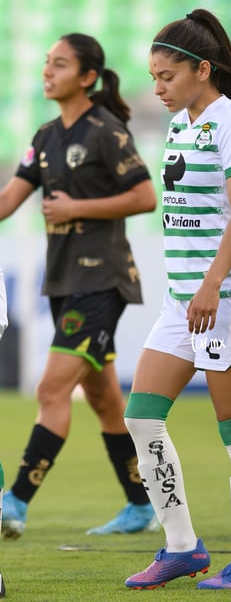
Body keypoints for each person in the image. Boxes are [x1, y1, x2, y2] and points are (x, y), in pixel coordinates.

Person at [123, 8, 231, 590]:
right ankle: (182, 546)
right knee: (142, 418)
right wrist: (190, 289)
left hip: (227, 300)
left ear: (202, 69)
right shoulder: (182, 123)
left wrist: (210, 284)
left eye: (166, 76)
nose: (157, 88)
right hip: (181, 304)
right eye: (153, 77)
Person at [0, 33, 159, 539]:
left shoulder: (106, 131)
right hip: (64, 281)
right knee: (104, 398)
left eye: (60, 64)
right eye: (47, 63)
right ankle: (140, 505)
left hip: (102, 278)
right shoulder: (46, 135)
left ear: (87, 76)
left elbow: (145, 196)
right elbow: (6, 202)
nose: (48, 71)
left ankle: (15, 502)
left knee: (51, 389)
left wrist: (74, 208)